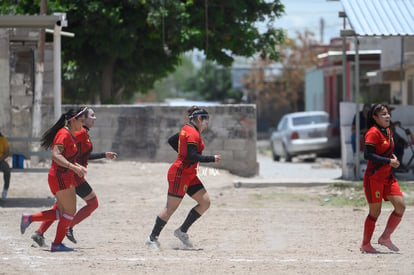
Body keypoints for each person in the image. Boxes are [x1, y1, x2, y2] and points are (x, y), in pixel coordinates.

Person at [30, 108, 118, 247]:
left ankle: (39, 232)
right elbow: (66, 151)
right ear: (81, 118)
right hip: (74, 176)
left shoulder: (84, 133)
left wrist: (103, 155)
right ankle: (68, 226)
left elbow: (82, 155)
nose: (94, 118)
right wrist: (75, 167)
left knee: (60, 207)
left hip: (75, 173)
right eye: (91, 115)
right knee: (92, 203)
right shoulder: (79, 132)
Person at [146, 106, 222, 249]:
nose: (207, 124)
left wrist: (183, 152)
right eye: (206, 121)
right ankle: (152, 238)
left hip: (190, 174)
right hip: (180, 174)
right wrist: (212, 158)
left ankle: (181, 231)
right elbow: (191, 155)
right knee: (170, 208)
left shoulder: (188, 129)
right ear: (199, 119)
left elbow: (172, 140)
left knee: (205, 202)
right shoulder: (192, 133)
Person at [20, 107, 88, 252]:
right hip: (60, 177)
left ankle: (29, 218)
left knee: (62, 212)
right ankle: (56, 244)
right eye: (81, 119)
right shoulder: (64, 134)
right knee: (70, 212)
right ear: (72, 120)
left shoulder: (69, 134)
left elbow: (66, 157)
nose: (83, 122)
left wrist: (77, 167)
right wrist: (74, 167)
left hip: (63, 176)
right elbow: (56, 155)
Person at [360, 103, 405, 253]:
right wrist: (388, 161)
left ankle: (385, 238)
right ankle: (365, 244)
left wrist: (393, 158)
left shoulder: (388, 130)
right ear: (374, 117)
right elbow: (368, 155)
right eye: (383, 114)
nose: (387, 116)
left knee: (400, 206)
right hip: (374, 178)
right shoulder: (372, 132)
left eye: (387, 113)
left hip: (388, 176)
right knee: (375, 212)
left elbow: (386, 150)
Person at [0, 131, 10, 200]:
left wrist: (0, 159)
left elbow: (6, 153)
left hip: (0, 160)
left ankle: (5, 190)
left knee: (7, 170)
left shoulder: (3, 140)